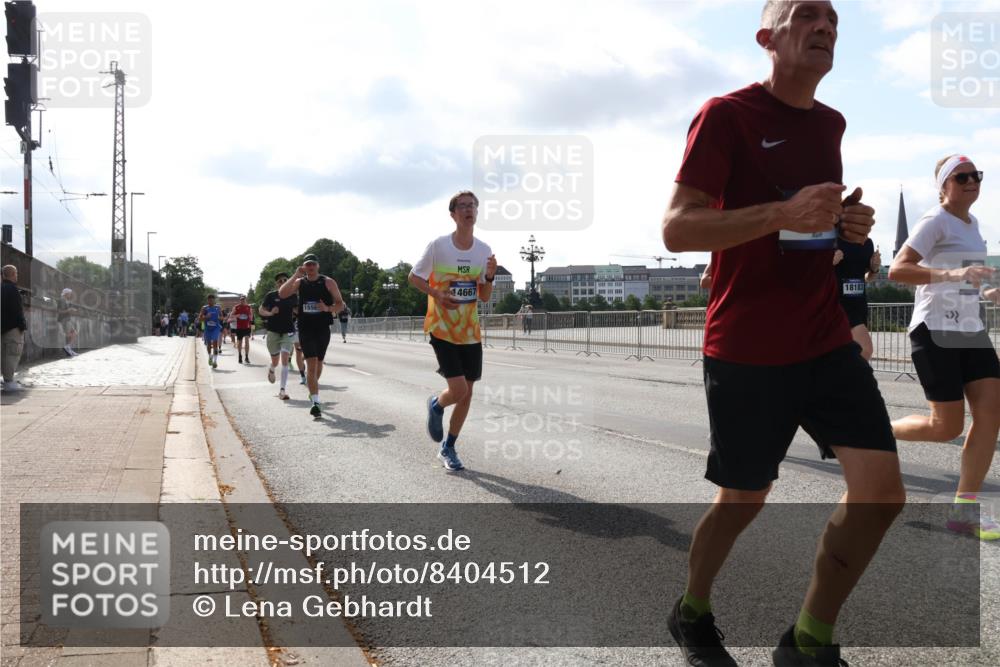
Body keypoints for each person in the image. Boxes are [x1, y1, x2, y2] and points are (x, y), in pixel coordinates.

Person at [659, 3, 903, 665]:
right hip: (747, 345)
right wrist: (782, 213)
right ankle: (692, 610)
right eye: (807, 15)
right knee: (744, 498)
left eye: (833, 19)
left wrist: (844, 224)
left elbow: (808, 227)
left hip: (824, 337)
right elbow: (677, 228)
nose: (826, 26)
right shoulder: (725, 115)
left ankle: (808, 640)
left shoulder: (831, 123)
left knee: (882, 493)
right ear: (768, 37)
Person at [889, 154, 1000, 541]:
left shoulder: (974, 226)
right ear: (943, 186)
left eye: (976, 176)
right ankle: (874, 431)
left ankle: (964, 510)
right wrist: (954, 273)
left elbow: (966, 280)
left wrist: (987, 291)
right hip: (934, 330)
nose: (971, 182)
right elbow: (898, 269)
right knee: (945, 427)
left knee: (991, 415)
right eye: (961, 176)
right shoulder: (934, 220)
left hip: (969, 329)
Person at [409, 190, 497, 472]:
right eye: (463, 206)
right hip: (442, 327)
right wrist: (437, 293)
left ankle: (448, 447)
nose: (469, 209)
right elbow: (414, 277)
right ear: (453, 214)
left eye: (473, 205)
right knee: (458, 389)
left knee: (467, 394)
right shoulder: (439, 246)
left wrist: (490, 276)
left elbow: (484, 296)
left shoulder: (483, 250)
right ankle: (436, 404)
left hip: (470, 330)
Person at [278, 253, 346, 418]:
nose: (310, 267)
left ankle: (312, 389)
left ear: (318, 266)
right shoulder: (300, 282)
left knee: (319, 363)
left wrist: (327, 308)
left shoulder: (328, 282)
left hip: (323, 328)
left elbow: (340, 304)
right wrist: (296, 274)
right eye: (307, 264)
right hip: (305, 328)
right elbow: (282, 294)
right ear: (304, 266)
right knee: (311, 364)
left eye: (313, 264)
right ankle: (315, 402)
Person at [832, 239, 881, 360]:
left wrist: (874, 268)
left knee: (845, 350)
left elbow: (868, 278)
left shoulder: (867, 243)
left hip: (859, 304)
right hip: (837, 302)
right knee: (865, 349)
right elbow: (814, 270)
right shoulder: (832, 238)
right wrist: (829, 262)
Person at [260, 273, 297, 400]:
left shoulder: (293, 296)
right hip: (273, 332)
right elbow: (261, 310)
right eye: (280, 281)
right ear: (277, 284)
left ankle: (282, 390)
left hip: (288, 332)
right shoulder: (271, 296)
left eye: (285, 280)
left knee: (285, 359)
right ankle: (272, 368)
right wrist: (270, 313)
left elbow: (298, 310)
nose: (283, 282)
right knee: (275, 362)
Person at [1, 265, 27, 392]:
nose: (17, 275)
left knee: (3, 354)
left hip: (2, 327)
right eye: (16, 273)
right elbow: (17, 310)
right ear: (12, 274)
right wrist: (22, 326)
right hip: (13, 328)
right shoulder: (13, 289)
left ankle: (6, 380)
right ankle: (8, 382)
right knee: (12, 354)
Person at [199, 295, 223, 369]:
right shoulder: (204, 308)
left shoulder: (218, 308)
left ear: (214, 300)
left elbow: (222, 317)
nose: (211, 302)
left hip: (216, 328)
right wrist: (206, 317)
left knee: (215, 343)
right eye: (209, 300)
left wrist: (219, 317)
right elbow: (200, 319)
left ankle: (215, 361)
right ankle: (210, 357)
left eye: (212, 300)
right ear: (207, 300)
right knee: (209, 344)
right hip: (208, 328)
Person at [232, 295, 254, 363]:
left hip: (247, 327)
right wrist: (236, 315)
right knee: (240, 342)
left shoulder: (248, 307)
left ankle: (247, 357)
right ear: (240, 300)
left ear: (245, 300)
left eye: (243, 299)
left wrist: (250, 317)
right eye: (241, 299)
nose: (242, 301)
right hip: (239, 327)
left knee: (247, 341)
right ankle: (240, 355)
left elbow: (251, 317)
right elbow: (231, 315)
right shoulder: (236, 307)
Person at [58, 288, 79, 356]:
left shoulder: (65, 300)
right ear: (66, 293)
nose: (70, 295)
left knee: (72, 333)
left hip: (67, 319)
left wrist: (71, 310)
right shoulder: (62, 300)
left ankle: (68, 348)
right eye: (69, 293)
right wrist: (69, 310)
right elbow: (59, 311)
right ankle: (67, 347)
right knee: (71, 334)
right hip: (64, 320)